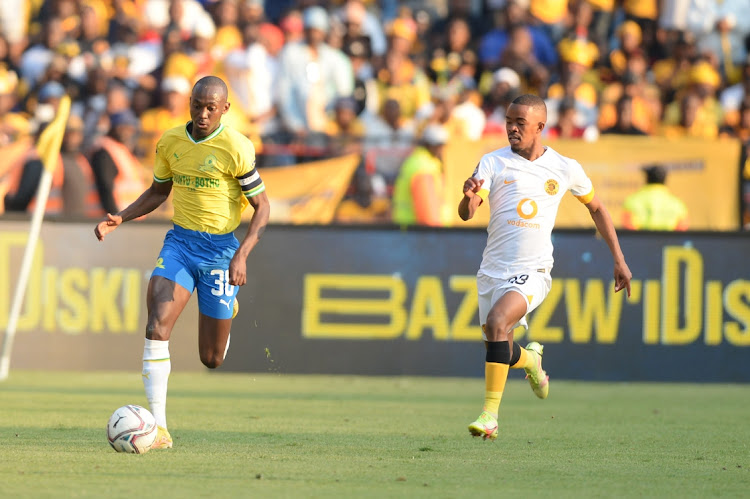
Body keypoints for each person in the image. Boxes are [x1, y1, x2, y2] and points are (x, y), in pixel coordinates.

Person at [93, 76, 270, 450]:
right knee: (156, 325)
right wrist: (121, 218)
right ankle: (159, 429)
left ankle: (226, 305)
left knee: (212, 359)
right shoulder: (171, 141)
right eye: (197, 105)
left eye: (211, 108)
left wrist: (242, 253)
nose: (203, 114)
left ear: (225, 109)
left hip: (221, 252)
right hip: (180, 245)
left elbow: (263, 206)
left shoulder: (237, 147)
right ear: (188, 103)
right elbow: (159, 191)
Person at [458, 94, 632, 440]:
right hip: (492, 269)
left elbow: (597, 208)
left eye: (519, 123)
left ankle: (489, 417)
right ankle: (531, 361)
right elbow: (468, 212)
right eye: (509, 121)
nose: (511, 128)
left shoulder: (565, 167)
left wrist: (619, 258)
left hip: (533, 271)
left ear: (540, 126)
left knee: (497, 322)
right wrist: (468, 196)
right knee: (500, 347)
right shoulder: (493, 162)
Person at [392, 123, 449, 227]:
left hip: (410, 232)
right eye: (439, 145)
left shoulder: (419, 161)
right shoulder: (423, 167)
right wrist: (437, 236)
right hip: (418, 235)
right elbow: (428, 214)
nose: (441, 149)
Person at [622, 165, 688, 231]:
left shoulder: (632, 201)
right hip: (670, 241)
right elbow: (681, 231)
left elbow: (629, 228)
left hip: (641, 241)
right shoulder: (677, 204)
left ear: (647, 179)